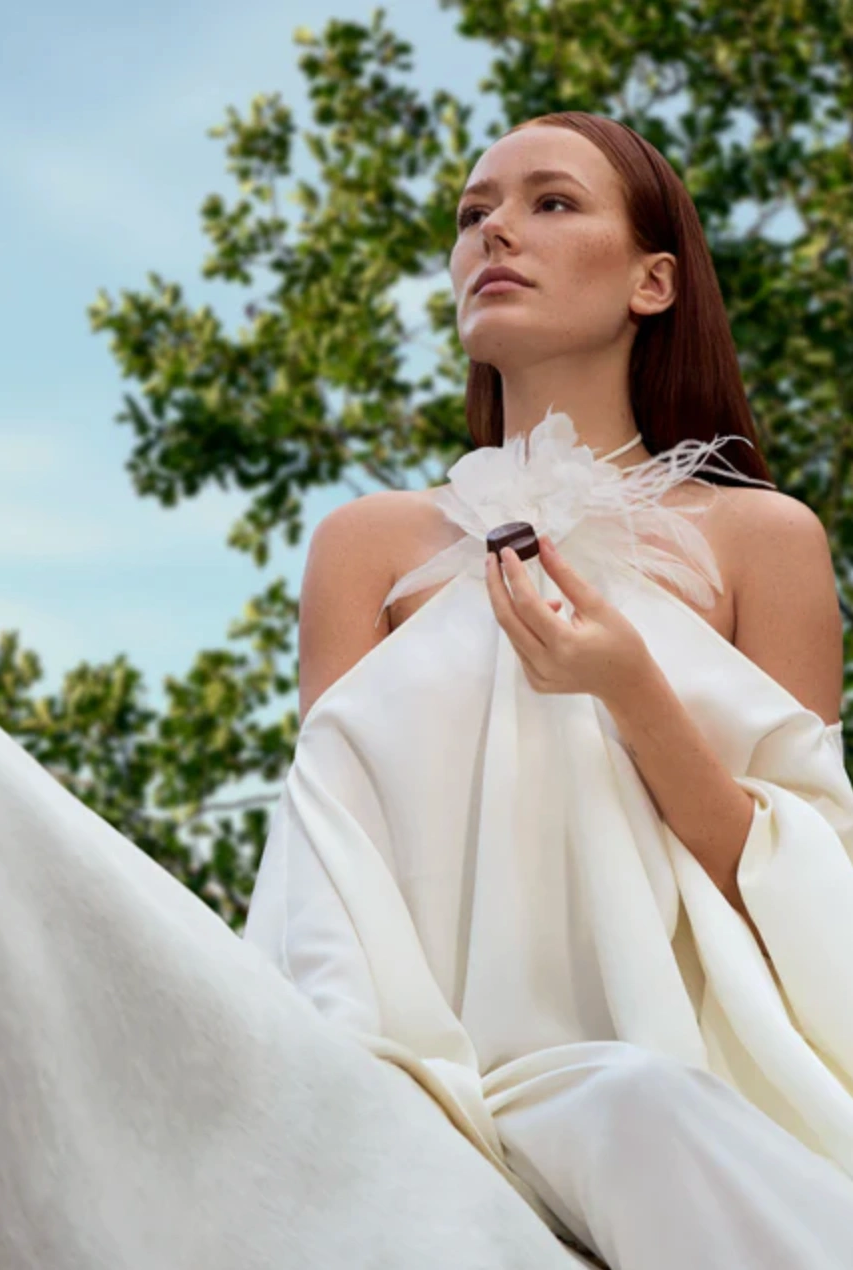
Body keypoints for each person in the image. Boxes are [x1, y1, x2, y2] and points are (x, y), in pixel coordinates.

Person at [242, 111, 853, 1269]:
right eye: (473, 215)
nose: (493, 234)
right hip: (429, 1072)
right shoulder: (363, 548)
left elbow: (809, 893)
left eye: (549, 203)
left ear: (653, 280)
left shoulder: (760, 538)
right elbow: (326, 853)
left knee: (640, 1108)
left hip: (685, 1087)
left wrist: (630, 688)